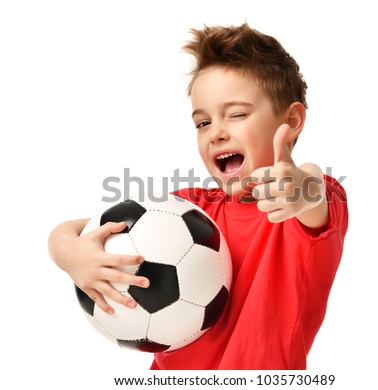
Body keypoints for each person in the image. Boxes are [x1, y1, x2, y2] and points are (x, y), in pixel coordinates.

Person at [48, 23, 348, 370]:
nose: (216, 133)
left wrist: (300, 185)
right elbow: (81, 229)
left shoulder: (305, 209)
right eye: (202, 123)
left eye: (236, 115)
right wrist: (68, 253)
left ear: (292, 120)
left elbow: (313, 192)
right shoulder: (184, 212)